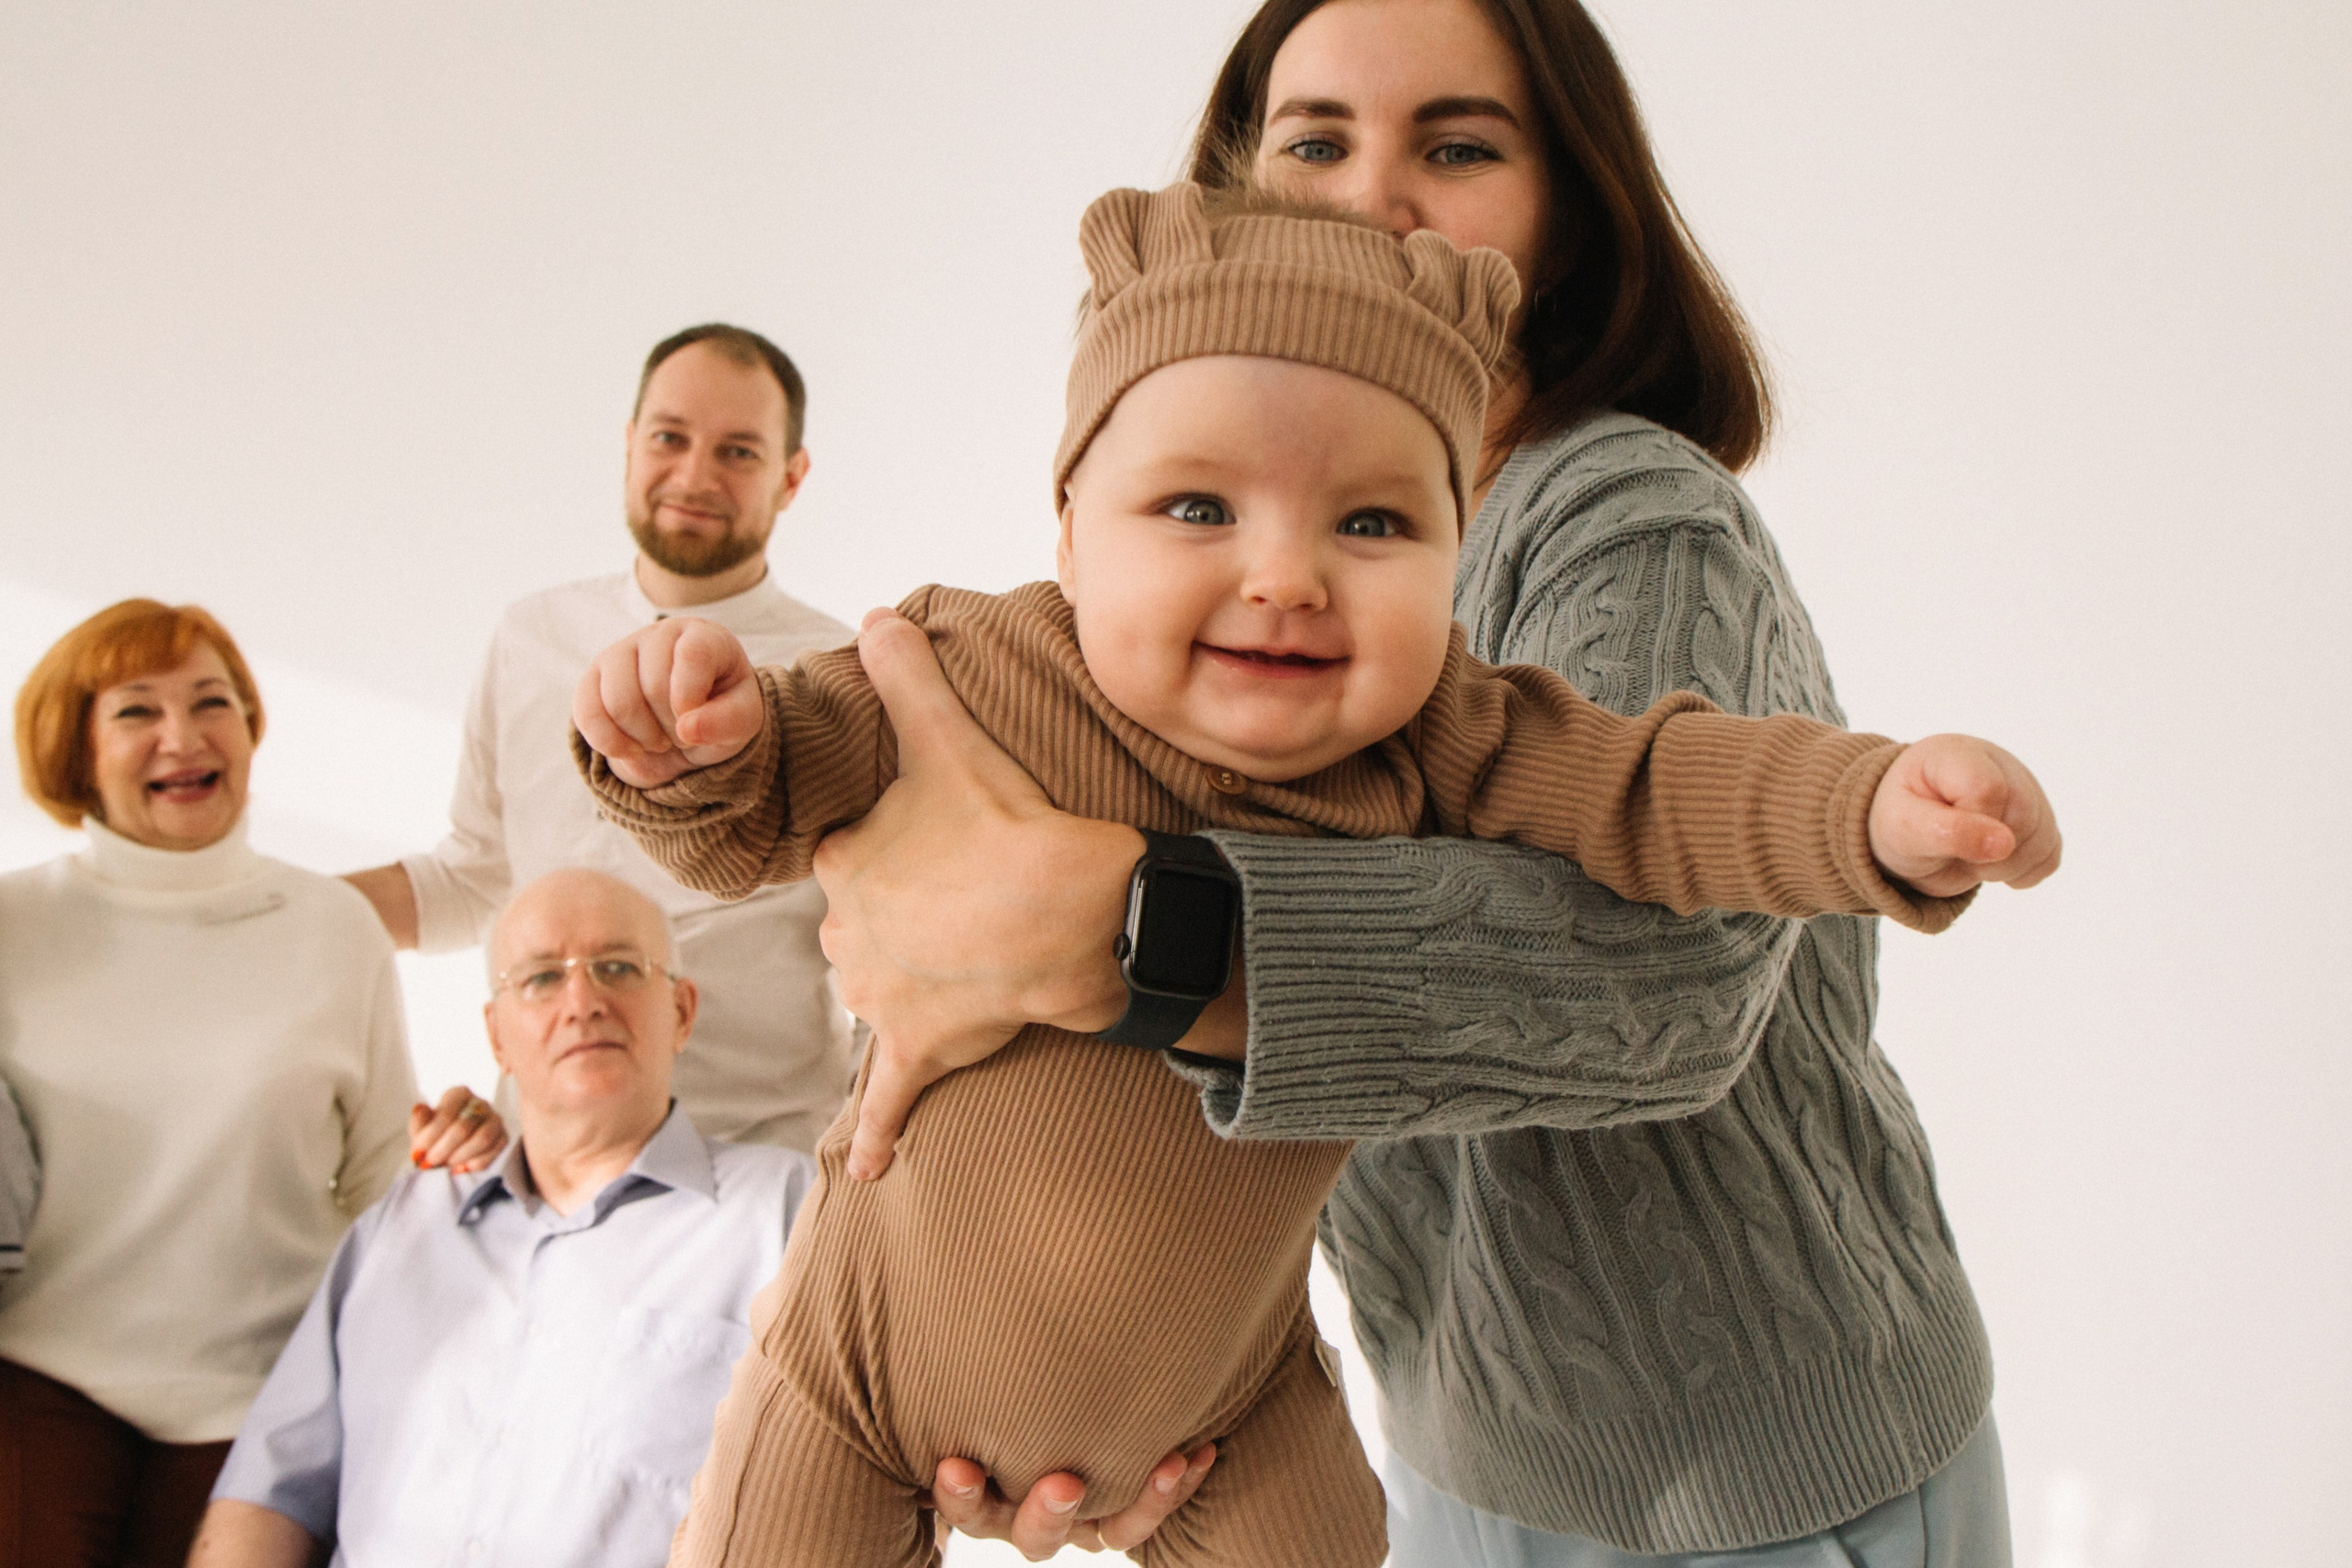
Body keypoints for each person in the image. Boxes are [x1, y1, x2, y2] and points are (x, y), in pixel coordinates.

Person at [571, 184, 2056, 1568]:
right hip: (861, 1363)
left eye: (1371, 522)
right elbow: (765, 797)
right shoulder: (966, 668)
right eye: (1200, 509)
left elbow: (1658, 781)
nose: (1287, 574)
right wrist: (682, 740)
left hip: (1231, 1416)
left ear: (1455, 550)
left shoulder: (1441, 739)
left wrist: (1866, 807)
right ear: (1071, 528)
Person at [0, 600, 499, 1568]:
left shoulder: (333, 928)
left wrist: (465, 1148)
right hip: (42, 1372)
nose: (183, 737)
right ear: (76, 751)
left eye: (211, 701)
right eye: (137, 711)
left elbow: (383, 1182)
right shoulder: (13, 927)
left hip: (266, 1383)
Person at [189, 867, 819, 1568]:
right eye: (542, 978)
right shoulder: (401, 1224)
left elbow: (858, 1491)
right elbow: (269, 1495)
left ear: (682, 1011)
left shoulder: (786, 1215)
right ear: (496, 1036)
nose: (583, 1000)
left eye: (618, 966)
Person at [344, 322, 855, 1155]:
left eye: (739, 452)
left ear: (792, 478)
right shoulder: (530, 635)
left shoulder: (839, 673)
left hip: (764, 1161)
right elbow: (477, 878)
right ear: (628, 444)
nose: (694, 475)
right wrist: (267, 916)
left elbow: (891, 942)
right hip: (549, 1159)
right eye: (669, 438)